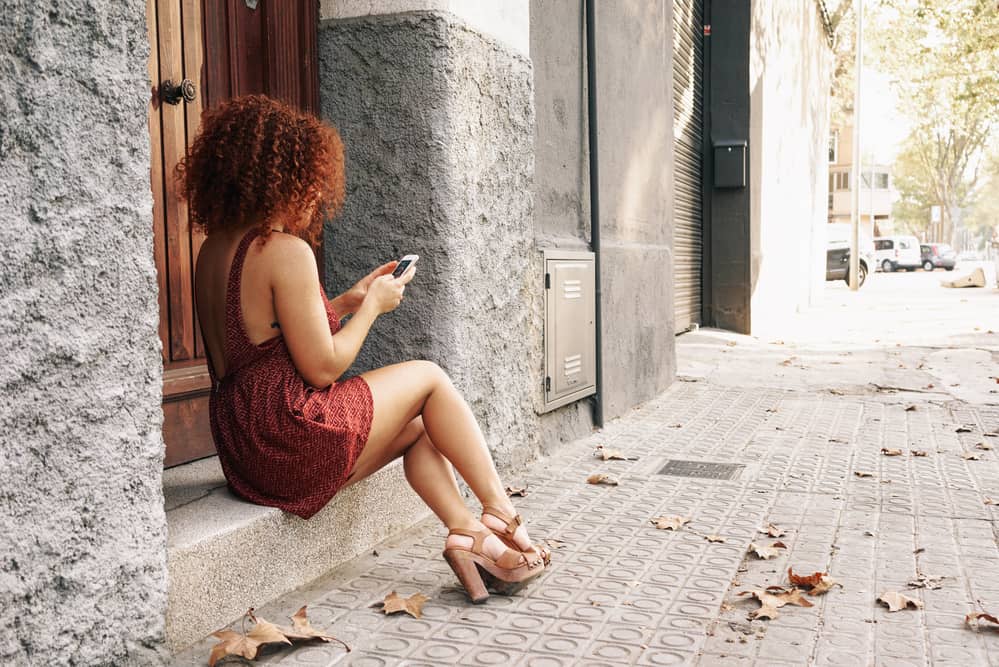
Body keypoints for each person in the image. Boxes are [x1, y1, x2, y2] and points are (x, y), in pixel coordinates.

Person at [178, 95, 547, 603]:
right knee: (431, 378)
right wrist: (372, 308)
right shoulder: (284, 251)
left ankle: (467, 532)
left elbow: (262, 337)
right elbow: (323, 367)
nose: (314, 200)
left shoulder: (212, 252)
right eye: (309, 182)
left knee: (420, 427)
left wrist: (347, 300)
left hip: (245, 447)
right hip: (289, 438)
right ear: (279, 178)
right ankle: (502, 513)